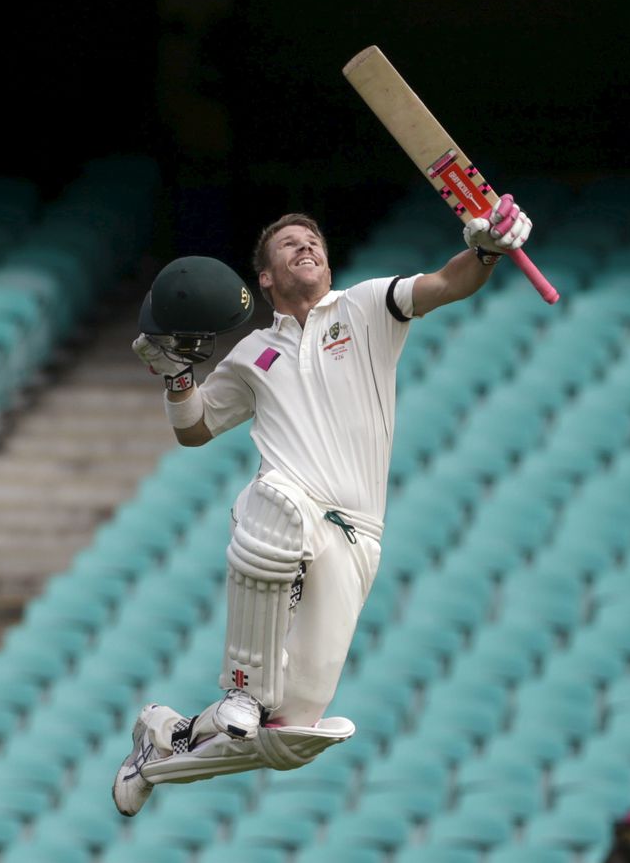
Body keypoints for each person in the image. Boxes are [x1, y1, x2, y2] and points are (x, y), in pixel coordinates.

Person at [111, 194, 532, 816]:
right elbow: (194, 428)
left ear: (329, 266)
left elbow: (448, 282)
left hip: (359, 533)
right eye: (289, 244)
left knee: (293, 731)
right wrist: (177, 379)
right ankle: (240, 690)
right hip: (288, 505)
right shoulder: (253, 353)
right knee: (277, 501)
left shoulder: (366, 307)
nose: (306, 246)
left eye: (314, 241)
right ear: (265, 277)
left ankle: (165, 742)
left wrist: (487, 251)